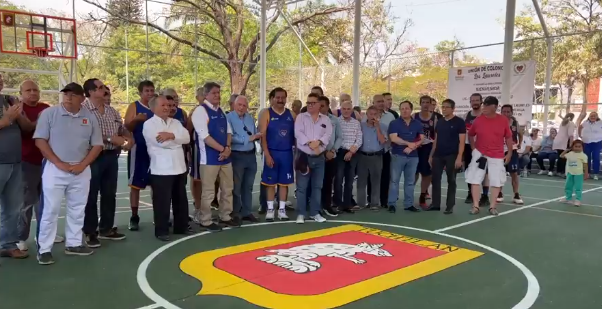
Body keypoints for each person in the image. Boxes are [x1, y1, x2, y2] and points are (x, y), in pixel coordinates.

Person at [33, 82, 103, 265]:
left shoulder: (90, 117)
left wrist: (83, 165)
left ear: (82, 98)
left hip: (81, 169)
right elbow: (40, 140)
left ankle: (74, 244)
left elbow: (97, 145)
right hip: (55, 169)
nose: (68, 97)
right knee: (50, 209)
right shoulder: (50, 113)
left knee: (78, 208)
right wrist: (58, 163)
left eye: (73, 95)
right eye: (66, 94)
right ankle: (44, 249)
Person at [82, 78, 130, 248]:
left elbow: (121, 129)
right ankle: (90, 231)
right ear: (90, 92)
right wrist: (110, 138)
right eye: (100, 87)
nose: (104, 90)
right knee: (91, 194)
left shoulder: (112, 111)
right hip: (92, 156)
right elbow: (85, 132)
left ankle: (107, 228)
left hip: (111, 156)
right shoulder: (83, 110)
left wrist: (127, 139)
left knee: (109, 193)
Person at [17, 80, 62, 252]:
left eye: (35, 89)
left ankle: (44, 234)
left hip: (46, 161)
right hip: (26, 161)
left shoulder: (46, 107)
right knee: (26, 202)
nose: (33, 93)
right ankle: (20, 237)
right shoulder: (18, 109)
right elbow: (28, 129)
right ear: (21, 92)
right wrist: (42, 120)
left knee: (47, 201)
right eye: (28, 90)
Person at [143, 95, 191, 241]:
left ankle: (181, 227)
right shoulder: (149, 124)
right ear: (154, 108)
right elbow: (160, 143)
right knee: (162, 202)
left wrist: (170, 136)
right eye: (163, 105)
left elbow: (187, 138)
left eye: (169, 106)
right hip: (161, 169)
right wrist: (176, 140)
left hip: (179, 167)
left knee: (180, 200)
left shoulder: (175, 122)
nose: (167, 108)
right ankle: (162, 230)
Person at [191, 82, 237, 230]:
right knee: (209, 191)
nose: (217, 95)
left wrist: (227, 148)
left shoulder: (221, 111)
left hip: (225, 157)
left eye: (219, 92)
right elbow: (205, 137)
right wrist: (223, 149)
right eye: (214, 93)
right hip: (209, 159)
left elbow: (229, 132)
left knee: (227, 188)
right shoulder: (200, 111)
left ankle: (225, 215)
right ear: (206, 95)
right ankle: (205, 219)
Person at [0, 76, 35, 259]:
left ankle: (8, 244)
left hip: (14, 162)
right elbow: (5, 123)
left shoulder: (9, 100)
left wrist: (18, 115)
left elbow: (28, 128)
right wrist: (5, 120)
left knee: (12, 208)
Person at [465, 96, 512, 216]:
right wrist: (473, 148)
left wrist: (510, 152)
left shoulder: (503, 120)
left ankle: (492, 207)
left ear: (495, 107)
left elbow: (508, 137)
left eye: (487, 105)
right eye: (483, 104)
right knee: (474, 179)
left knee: (496, 181)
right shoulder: (478, 120)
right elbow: (470, 134)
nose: (484, 107)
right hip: (480, 153)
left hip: (497, 155)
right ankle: (475, 205)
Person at [294, 92, 332, 223]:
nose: (310, 105)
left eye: (313, 103)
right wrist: (311, 143)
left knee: (317, 187)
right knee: (302, 187)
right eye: (308, 103)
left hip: (320, 158)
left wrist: (319, 143)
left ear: (319, 105)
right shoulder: (301, 117)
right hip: (304, 157)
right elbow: (298, 133)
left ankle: (315, 213)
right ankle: (301, 213)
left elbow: (327, 135)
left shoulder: (326, 119)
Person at [259, 87, 295, 221]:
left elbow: (296, 137)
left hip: (286, 154)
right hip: (272, 152)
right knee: (270, 183)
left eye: (283, 98)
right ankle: (270, 210)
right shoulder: (266, 114)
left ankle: (282, 210)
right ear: (272, 99)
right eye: (277, 97)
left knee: (284, 183)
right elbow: (263, 136)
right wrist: (267, 155)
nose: (280, 100)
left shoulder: (291, 115)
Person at [124, 80, 155, 231]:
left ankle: (158, 215)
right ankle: (134, 216)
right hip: (139, 148)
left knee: (156, 183)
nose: (149, 93)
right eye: (147, 91)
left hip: (155, 150)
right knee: (135, 185)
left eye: (151, 90)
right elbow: (126, 126)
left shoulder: (157, 106)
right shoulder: (134, 106)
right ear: (141, 93)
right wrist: (136, 119)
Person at [227, 95, 261, 223]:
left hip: (251, 155)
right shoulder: (228, 118)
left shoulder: (250, 118)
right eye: (239, 105)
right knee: (236, 186)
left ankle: (247, 211)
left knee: (248, 186)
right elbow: (229, 138)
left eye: (244, 105)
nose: (241, 107)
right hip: (237, 155)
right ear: (234, 105)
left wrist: (257, 135)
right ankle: (235, 212)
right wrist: (246, 139)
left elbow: (253, 133)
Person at [428, 99, 465, 214]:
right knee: (435, 179)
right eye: (443, 107)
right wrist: (431, 155)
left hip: (452, 155)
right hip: (438, 155)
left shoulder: (459, 122)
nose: (444, 109)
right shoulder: (439, 122)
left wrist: (459, 157)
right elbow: (436, 140)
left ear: (453, 109)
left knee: (451, 180)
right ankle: (435, 204)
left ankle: (450, 206)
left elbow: (462, 142)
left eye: (446, 107)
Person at [387, 101, 424, 213]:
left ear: (411, 110)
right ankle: (392, 204)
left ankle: (409, 204)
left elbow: (422, 138)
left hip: (413, 157)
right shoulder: (394, 123)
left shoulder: (417, 123)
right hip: (398, 155)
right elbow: (394, 138)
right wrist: (409, 143)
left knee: (410, 181)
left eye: (407, 108)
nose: (404, 110)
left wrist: (412, 147)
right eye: (402, 108)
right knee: (394, 181)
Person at [366, 95, 396, 208]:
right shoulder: (366, 116)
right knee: (371, 177)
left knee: (385, 176)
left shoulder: (391, 116)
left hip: (385, 151)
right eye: (378, 101)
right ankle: (371, 200)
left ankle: (384, 200)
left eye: (383, 101)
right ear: (373, 102)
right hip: (371, 152)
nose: (381, 103)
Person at [357, 106, 387, 211]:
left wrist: (377, 128)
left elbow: (383, 141)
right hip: (362, 156)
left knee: (375, 180)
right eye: (370, 114)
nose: (372, 116)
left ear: (378, 116)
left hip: (376, 156)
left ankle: (374, 203)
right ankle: (360, 203)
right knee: (361, 181)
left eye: (375, 114)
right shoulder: (361, 126)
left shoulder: (382, 126)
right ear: (367, 115)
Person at [334, 100, 362, 212]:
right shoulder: (336, 122)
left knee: (349, 181)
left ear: (352, 110)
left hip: (353, 154)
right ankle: (337, 203)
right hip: (340, 152)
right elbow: (335, 138)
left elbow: (359, 139)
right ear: (340, 110)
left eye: (348, 109)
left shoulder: (356, 123)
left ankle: (347, 204)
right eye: (344, 109)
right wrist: (346, 151)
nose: (346, 111)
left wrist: (351, 151)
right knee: (338, 179)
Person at [414, 95, 441, 208]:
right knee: (413, 173)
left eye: (427, 102)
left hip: (428, 148)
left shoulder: (435, 118)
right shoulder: (414, 116)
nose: (425, 104)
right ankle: (409, 195)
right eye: (423, 102)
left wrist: (433, 153)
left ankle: (422, 195)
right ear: (420, 104)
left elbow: (437, 137)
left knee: (427, 174)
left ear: (431, 104)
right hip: (415, 147)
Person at [463, 93, 489, 207]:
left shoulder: (486, 116)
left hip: (483, 147)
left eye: (477, 100)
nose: (474, 102)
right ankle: (470, 193)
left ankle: (485, 196)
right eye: (472, 100)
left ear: (481, 102)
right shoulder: (466, 116)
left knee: (484, 171)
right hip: (468, 147)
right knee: (470, 170)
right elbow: (463, 133)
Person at [319, 96, 342, 216]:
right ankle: (316, 207)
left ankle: (327, 206)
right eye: (319, 105)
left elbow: (339, 137)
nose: (320, 108)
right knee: (317, 183)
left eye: (322, 105)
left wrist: (332, 151)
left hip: (331, 156)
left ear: (328, 107)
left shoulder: (335, 120)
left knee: (328, 183)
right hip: (317, 155)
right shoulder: (313, 119)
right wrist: (322, 152)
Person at [497, 105, 524, 204]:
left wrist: (519, 143)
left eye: (508, 112)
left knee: (514, 174)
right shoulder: (497, 122)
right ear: (501, 112)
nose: (506, 113)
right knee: (500, 173)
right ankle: (499, 193)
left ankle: (516, 194)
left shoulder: (515, 123)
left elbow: (520, 135)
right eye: (504, 111)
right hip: (500, 151)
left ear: (511, 113)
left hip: (512, 151)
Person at [187, 88, 205, 222]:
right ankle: (198, 208)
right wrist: (188, 150)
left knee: (212, 181)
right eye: (202, 95)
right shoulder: (195, 112)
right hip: (198, 149)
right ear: (197, 97)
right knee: (197, 179)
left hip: (213, 150)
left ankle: (207, 208)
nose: (205, 97)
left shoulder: (217, 111)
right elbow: (188, 132)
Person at [560, 140, 589, 206]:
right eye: (576, 146)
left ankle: (578, 200)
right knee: (568, 186)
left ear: (582, 147)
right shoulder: (570, 154)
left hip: (578, 174)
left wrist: (586, 173)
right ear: (572, 147)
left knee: (578, 187)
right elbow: (561, 156)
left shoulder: (583, 156)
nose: (577, 148)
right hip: (570, 173)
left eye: (579, 147)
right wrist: (567, 150)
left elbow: (585, 165)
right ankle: (568, 198)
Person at [578, 112, 602, 180]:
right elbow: (580, 127)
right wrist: (580, 135)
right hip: (586, 143)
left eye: (594, 116)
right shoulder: (585, 122)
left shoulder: (600, 123)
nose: (593, 117)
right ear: (589, 116)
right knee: (586, 158)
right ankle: (587, 173)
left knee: (596, 158)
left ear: (597, 117)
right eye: (591, 116)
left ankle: (595, 174)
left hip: (597, 142)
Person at [553, 113, 576, 177]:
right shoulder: (571, 123)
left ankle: (558, 171)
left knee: (560, 156)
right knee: (564, 157)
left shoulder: (563, 122)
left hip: (558, 141)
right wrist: (571, 144)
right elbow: (570, 134)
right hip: (565, 141)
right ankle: (562, 172)